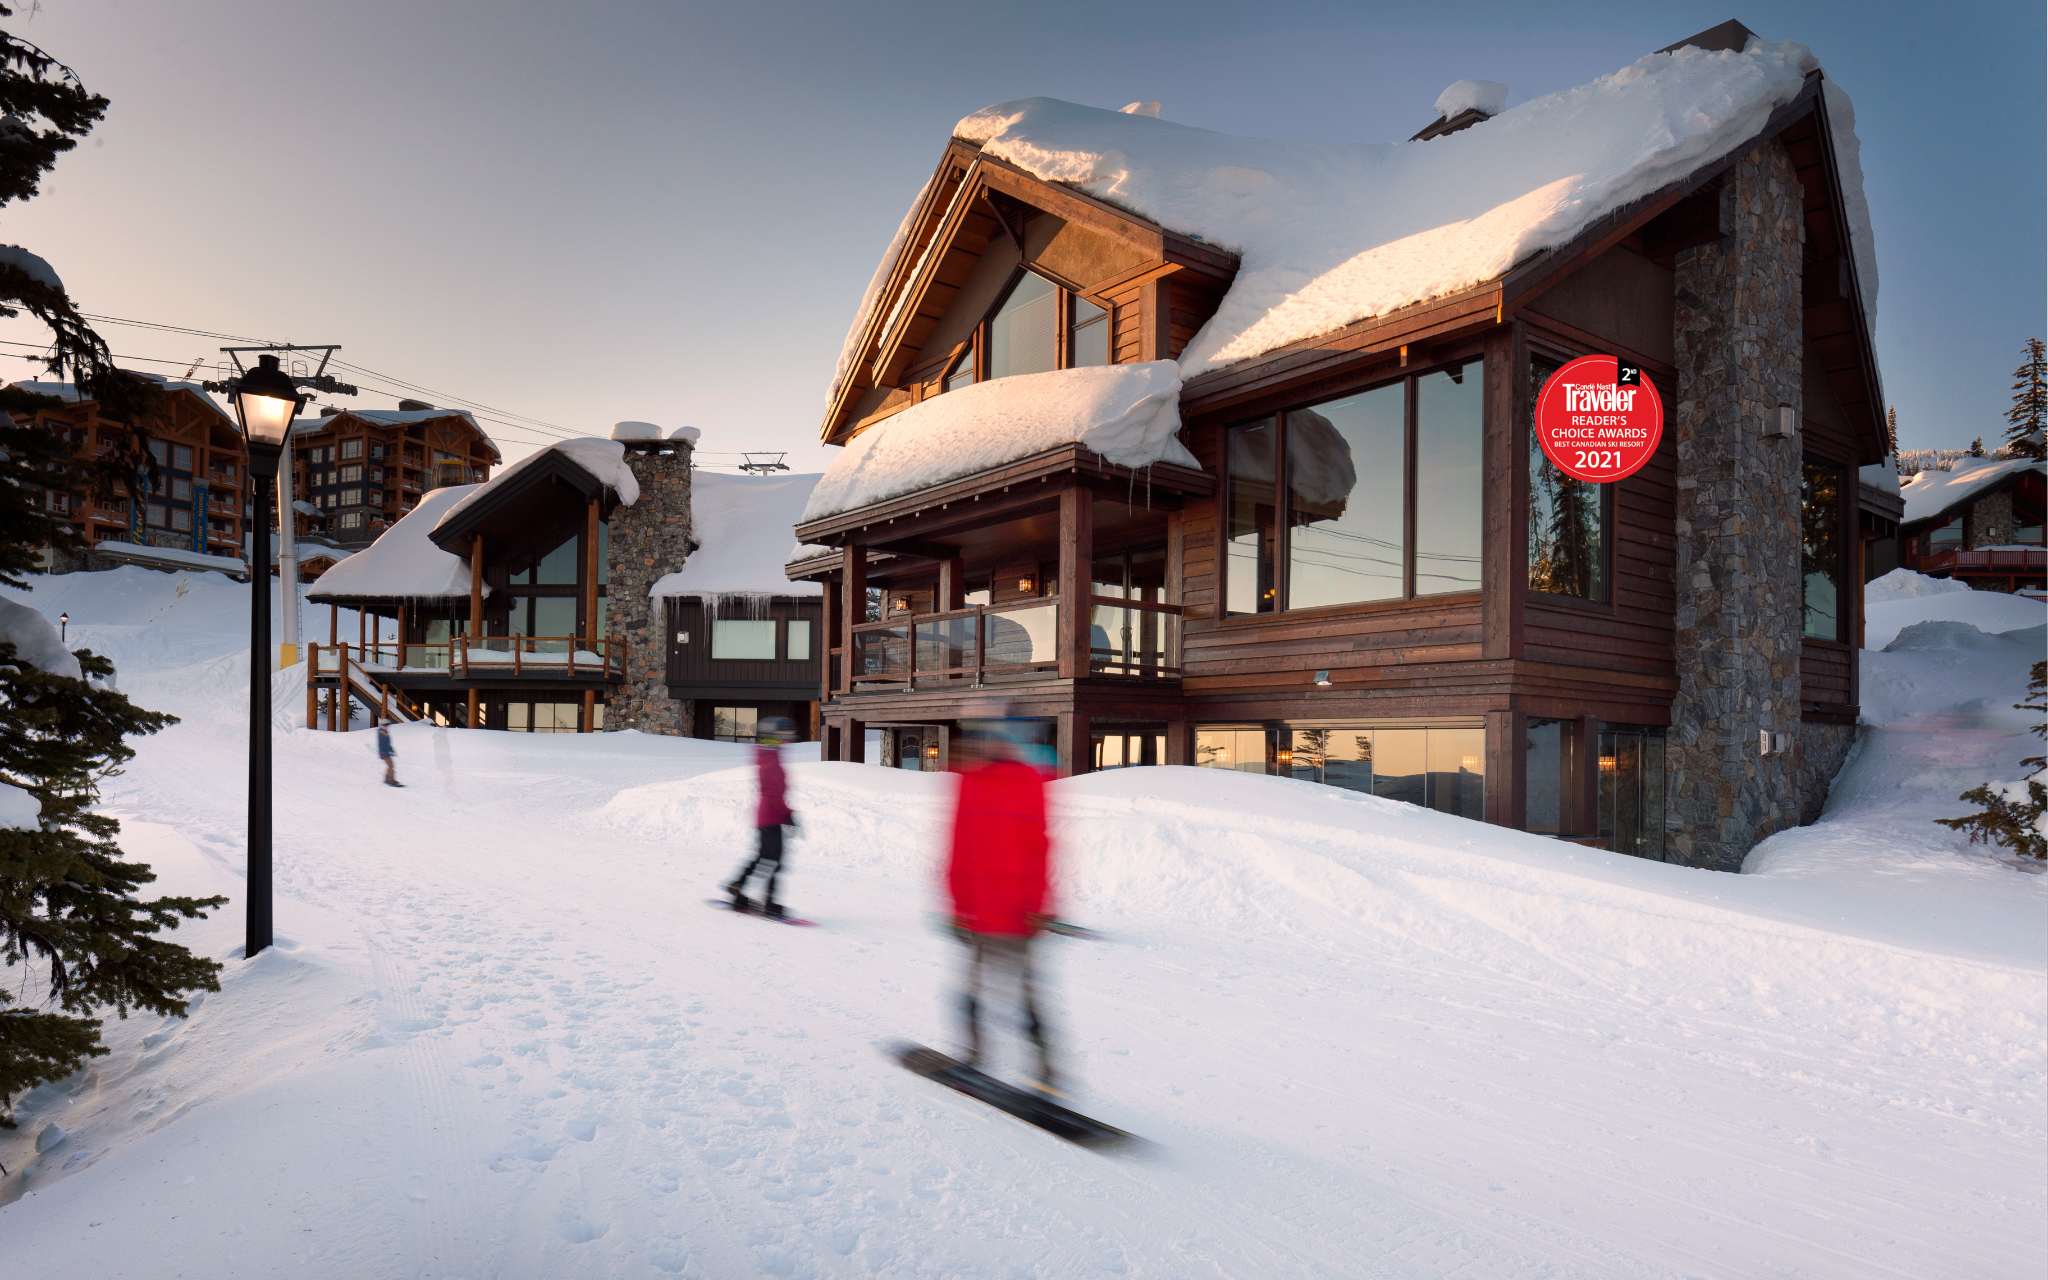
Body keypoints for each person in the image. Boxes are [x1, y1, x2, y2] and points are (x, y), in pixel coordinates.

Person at [945, 720, 1057, 1093]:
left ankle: (1047, 1074)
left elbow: (1040, 847)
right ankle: (974, 1057)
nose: (983, 744)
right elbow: (957, 846)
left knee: (1026, 996)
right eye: (978, 737)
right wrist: (958, 907)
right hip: (978, 911)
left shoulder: (1028, 780)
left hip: (1018, 912)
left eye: (991, 736)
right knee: (973, 990)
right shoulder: (967, 781)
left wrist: (1040, 904)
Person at [723, 717, 798, 916]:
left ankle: (737, 886)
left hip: (767, 815)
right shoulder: (770, 760)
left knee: (764, 857)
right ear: (774, 737)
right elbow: (773, 792)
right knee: (775, 859)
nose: (787, 740)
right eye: (784, 736)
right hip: (771, 816)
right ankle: (770, 901)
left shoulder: (770, 756)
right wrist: (787, 814)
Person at [375, 717, 402, 787]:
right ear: (382, 726)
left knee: (390, 765)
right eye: (385, 726)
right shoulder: (382, 733)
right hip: (384, 752)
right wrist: (384, 751)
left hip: (385, 752)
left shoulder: (384, 733)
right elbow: (381, 744)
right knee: (391, 765)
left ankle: (387, 779)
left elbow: (387, 744)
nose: (386, 727)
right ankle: (390, 780)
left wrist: (391, 749)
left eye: (387, 726)